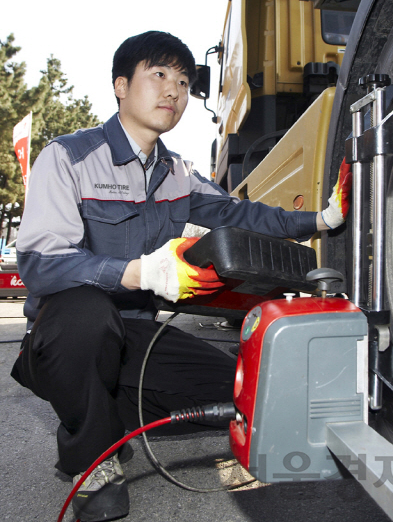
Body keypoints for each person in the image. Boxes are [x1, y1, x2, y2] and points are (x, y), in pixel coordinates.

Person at [10, 31, 351, 522]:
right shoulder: (68, 158)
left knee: (238, 388)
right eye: (160, 75)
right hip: (67, 334)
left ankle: (102, 421)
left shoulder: (178, 173)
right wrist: (137, 271)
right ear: (121, 86)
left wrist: (319, 220)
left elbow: (243, 215)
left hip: (135, 333)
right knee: (87, 312)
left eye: (185, 82)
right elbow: (42, 265)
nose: (174, 91)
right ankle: (91, 459)